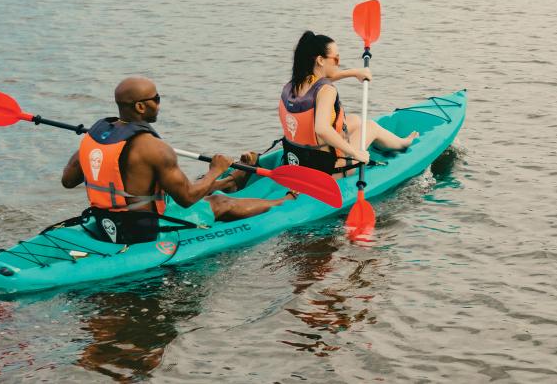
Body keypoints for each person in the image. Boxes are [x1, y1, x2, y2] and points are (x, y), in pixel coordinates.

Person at [62, 76, 292, 245]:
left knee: (176, 186)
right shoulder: (155, 148)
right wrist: (215, 169)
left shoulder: (94, 137)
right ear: (141, 106)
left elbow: (68, 181)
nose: (159, 103)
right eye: (156, 98)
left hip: (104, 221)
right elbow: (187, 199)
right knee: (220, 203)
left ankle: (232, 181)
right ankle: (285, 202)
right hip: (141, 230)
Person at [277, 31, 418, 174]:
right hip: (328, 169)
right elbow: (322, 129)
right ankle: (402, 143)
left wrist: (354, 72)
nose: (338, 64)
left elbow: (321, 83)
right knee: (370, 127)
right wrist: (356, 153)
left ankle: (383, 143)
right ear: (320, 60)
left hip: (297, 160)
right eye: (336, 59)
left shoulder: (294, 85)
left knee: (355, 120)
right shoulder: (326, 91)